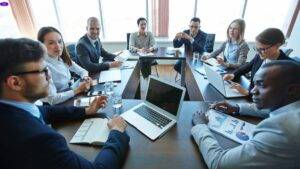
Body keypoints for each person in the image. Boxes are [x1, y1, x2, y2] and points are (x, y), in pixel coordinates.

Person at [0, 38, 130, 169]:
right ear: (15, 83)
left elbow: (44, 111)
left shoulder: (11, 107)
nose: (49, 76)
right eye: (42, 71)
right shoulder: (39, 139)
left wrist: (86, 111)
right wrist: (117, 133)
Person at [192, 60, 300, 169]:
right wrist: (237, 107)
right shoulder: (293, 105)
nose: (252, 91)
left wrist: (200, 126)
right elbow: (271, 108)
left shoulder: (280, 130)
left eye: (261, 85)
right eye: (255, 84)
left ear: (291, 89)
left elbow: (219, 163)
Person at [223, 28, 292, 95]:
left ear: (277, 45)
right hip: (251, 94)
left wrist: (247, 92)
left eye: (263, 49)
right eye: (257, 48)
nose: (259, 52)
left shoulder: (286, 67)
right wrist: (233, 74)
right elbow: (248, 66)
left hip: (260, 101)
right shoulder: (260, 55)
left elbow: (274, 95)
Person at [37, 26, 92, 105]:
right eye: (51, 43)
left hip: (68, 95)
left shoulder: (61, 58)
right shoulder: (42, 67)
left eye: (59, 41)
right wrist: (78, 90)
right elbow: (53, 99)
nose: (57, 46)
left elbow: (82, 71)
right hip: (55, 105)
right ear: (41, 46)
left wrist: (85, 77)